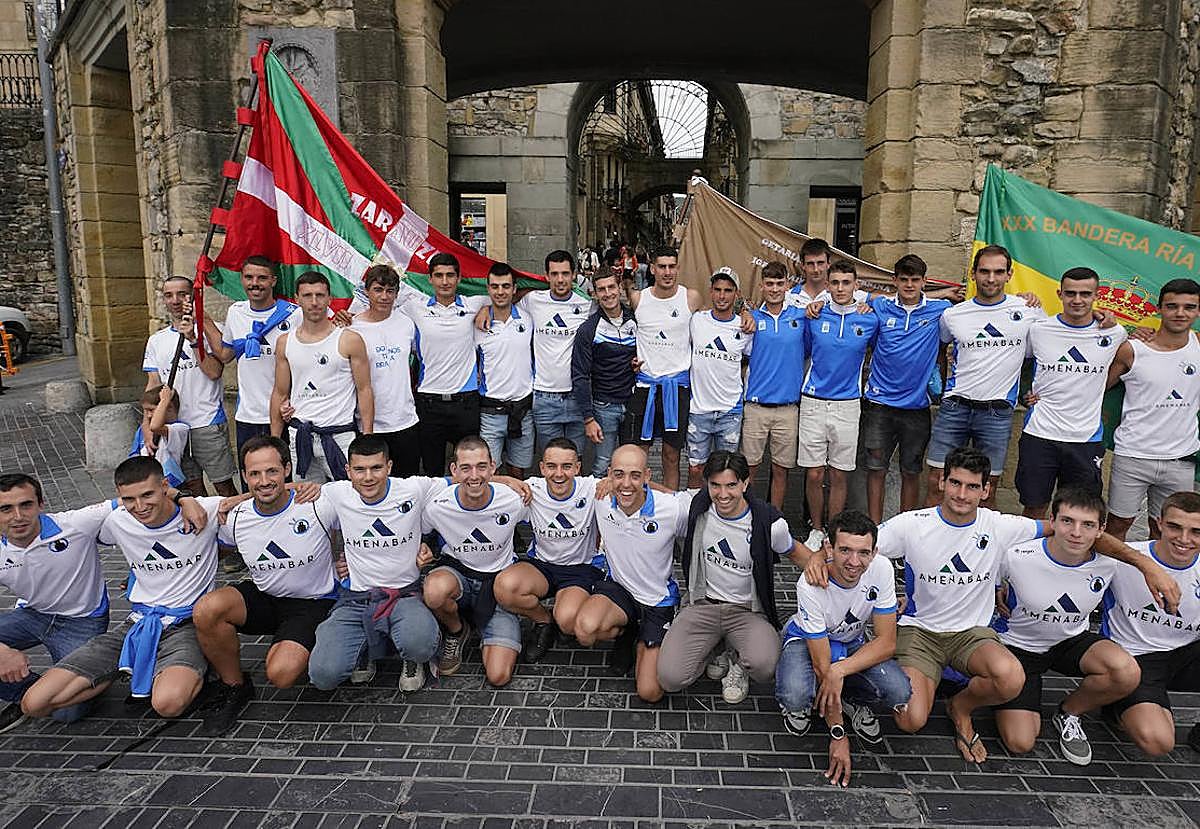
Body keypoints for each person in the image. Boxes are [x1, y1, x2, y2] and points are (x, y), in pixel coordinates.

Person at [807, 446, 1175, 763]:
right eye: (955, 483)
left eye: (972, 486)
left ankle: (961, 710)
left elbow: (1074, 530)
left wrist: (1146, 566)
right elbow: (855, 549)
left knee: (1011, 677)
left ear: (986, 490)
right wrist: (816, 558)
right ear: (941, 482)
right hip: (919, 632)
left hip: (973, 634)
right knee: (910, 720)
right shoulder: (910, 525)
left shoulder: (1000, 525)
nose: (962, 494)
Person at [21, 457, 220, 722]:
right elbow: (68, 529)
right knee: (34, 704)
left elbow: (256, 499)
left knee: (168, 704)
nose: (140, 506)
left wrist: (186, 498)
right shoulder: (115, 521)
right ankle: (116, 672)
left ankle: (192, 670)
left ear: (164, 486)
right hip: (135, 624)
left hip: (186, 623)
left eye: (148, 494)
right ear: (119, 496)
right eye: (129, 499)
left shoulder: (205, 509)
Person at [193, 437, 335, 735]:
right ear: (244, 476)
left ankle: (324, 643)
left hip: (312, 603)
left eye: (272, 471)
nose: (264, 481)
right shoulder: (234, 517)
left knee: (281, 674)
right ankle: (234, 685)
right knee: (207, 609)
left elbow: (364, 499)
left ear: (287, 468)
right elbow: (172, 503)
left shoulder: (316, 504)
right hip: (265, 596)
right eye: (254, 474)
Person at [991, 488, 1140, 766]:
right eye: (1068, 521)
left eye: (1088, 525)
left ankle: (1069, 712)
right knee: (1020, 742)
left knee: (1125, 671)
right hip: (1018, 647)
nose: (1076, 532)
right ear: (1053, 520)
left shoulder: (1110, 565)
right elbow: (983, 584)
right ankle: (1010, 693)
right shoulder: (1017, 555)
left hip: (1070, 642)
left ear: (1101, 530)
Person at [776, 510, 910, 788]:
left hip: (850, 644)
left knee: (899, 690)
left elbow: (886, 642)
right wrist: (838, 734)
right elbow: (822, 665)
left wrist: (839, 672)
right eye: (845, 550)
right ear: (829, 548)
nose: (853, 562)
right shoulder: (810, 584)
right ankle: (818, 700)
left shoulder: (882, 569)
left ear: (874, 552)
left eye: (863, 553)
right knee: (795, 695)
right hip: (808, 642)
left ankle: (846, 696)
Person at [658, 451, 804, 704]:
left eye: (731, 485)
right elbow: (660, 495)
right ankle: (714, 647)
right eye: (715, 485)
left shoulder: (768, 523)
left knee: (765, 666)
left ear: (745, 484)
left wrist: (824, 566)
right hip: (703, 606)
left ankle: (737, 663)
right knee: (670, 678)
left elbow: (796, 552)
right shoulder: (698, 507)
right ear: (707, 484)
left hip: (747, 611)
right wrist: (616, 482)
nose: (723, 494)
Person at [306, 435, 448, 693]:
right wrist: (228, 502)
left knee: (420, 644)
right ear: (348, 471)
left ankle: (411, 657)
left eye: (376, 468)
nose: (368, 477)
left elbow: (466, 480)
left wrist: (508, 480)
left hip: (405, 594)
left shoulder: (413, 488)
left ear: (390, 467)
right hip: (356, 598)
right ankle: (364, 648)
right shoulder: (336, 493)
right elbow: (280, 493)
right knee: (323, 675)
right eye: (359, 469)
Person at [926, 246, 1048, 507]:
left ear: (1009, 274)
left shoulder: (1028, 310)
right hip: (954, 408)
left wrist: (1099, 316)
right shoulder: (953, 314)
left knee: (986, 492)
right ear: (973, 274)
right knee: (937, 484)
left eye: (998, 272)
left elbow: (1055, 343)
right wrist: (939, 385)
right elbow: (939, 348)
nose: (990, 279)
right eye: (984, 271)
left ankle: (981, 547)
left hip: (997, 412)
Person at [574, 444, 693, 702]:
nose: (625, 483)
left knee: (649, 692)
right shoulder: (600, 497)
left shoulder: (672, 508)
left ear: (648, 476)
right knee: (584, 629)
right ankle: (627, 630)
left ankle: (643, 638)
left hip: (657, 600)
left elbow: (712, 506)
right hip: (619, 591)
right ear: (608, 474)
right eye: (618, 474)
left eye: (635, 475)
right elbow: (550, 482)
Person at [0, 475, 114, 731]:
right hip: (34, 614)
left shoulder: (76, 523)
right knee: (47, 699)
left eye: (26, 505)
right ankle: (27, 694)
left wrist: (184, 500)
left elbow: (134, 498)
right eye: (5, 508)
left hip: (83, 622)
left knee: (68, 713)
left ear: (41, 504)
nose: (17, 516)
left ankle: (110, 667)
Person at [1016, 267, 1128, 518]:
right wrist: (1025, 392)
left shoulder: (1113, 333)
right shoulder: (1039, 329)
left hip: (1085, 438)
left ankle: (1069, 558)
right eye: (1071, 293)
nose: (1077, 300)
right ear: (1060, 294)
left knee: (1079, 511)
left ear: (1096, 295)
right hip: (1040, 434)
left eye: (1085, 294)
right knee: (1034, 506)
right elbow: (1014, 361)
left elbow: (1132, 361)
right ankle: (1028, 557)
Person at [421, 437, 530, 686]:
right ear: (454, 470)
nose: (474, 475)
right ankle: (457, 630)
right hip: (457, 575)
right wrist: (422, 548)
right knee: (434, 590)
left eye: (481, 467)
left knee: (498, 676)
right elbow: (419, 535)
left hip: (498, 585)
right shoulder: (437, 505)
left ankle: (489, 624)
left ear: (493, 467)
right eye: (466, 468)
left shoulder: (514, 500)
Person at [1101, 491, 1200, 756]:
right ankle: (1115, 700)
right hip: (1137, 657)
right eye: (1175, 527)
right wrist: (1147, 566)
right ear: (1158, 523)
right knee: (1158, 742)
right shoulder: (1126, 557)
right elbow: (1090, 538)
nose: (1184, 539)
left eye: (1196, 531)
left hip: (1186, 653)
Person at [493, 438, 607, 662]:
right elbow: (478, 481)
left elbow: (634, 482)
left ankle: (563, 614)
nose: (559, 474)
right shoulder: (530, 489)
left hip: (580, 568)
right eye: (552, 466)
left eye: (566, 466)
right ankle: (543, 621)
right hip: (542, 567)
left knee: (567, 619)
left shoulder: (591, 488)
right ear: (542, 467)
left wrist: (613, 481)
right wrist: (507, 479)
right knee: (505, 588)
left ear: (577, 467)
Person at [1105, 278, 1200, 540]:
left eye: (1189, 307)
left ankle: (1159, 582)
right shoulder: (1132, 349)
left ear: (1198, 311)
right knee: (1116, 527)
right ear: (1159, 308)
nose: (1180, 313)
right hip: (1133, 455)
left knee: (1168, 532)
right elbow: (1096, 387)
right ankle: (1107, 579)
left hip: (1180, 458)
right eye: (1172, 306)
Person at [862, 255, 952, 523]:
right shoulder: (879, 307)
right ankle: (875, 530)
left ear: (924, 281)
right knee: (876, 469)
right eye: (904, 279)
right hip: (879, 405)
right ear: (895, 281)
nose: (910, 285)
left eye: (915, 280)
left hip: (916, 407)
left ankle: (905, 532)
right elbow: (853, 293)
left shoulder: (940, 309)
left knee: (911, 471)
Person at [799, 260, 879, 550]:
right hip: (814, 400)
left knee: (839, 473)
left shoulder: (870, 319)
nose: (841, 288)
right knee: (814, 472)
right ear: (828, 285)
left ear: (856, 285)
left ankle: (834, 533)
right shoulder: (814, 316)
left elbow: (896, 301)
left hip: (848, 403)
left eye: (846, 282)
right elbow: (804, 350)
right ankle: (817, 529)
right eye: (835, 283)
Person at [271, 271, 374, 483]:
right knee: (306, 505)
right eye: (307, 295)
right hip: (300, 436)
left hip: (341, 436)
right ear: (297, 299)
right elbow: (280, 393)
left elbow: (364, 389)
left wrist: (368, 438)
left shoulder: (349, 339)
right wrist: (274, 442)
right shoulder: (284, 342)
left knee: (351, 498)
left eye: (320, 295)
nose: (314, 302)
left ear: (329, 298)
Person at [203, 256, 302, 465]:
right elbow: (225, 355)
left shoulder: (294, 315)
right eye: (249, 277)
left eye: (262, 278)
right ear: (242, 279)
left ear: (273, 281)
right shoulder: (236, 312)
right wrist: (204, 320)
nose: (254, 283)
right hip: (248, 415)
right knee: (252, 478)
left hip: (285, 414)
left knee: (285, 476)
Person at [143, 276, 238, 497]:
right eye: (169, 295)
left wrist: (194, 339)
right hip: (174, 427)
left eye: (182, 294)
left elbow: (214, 372)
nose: (175, 300)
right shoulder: (156, 341)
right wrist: (147, 427)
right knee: (192, 489)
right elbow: (152, 388)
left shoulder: (213, 331)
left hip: (206, 422)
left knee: (224, 486)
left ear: (193, 297)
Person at [403, 253, 489, 475]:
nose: (445, 281)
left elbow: (505, 297)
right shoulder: (414, 307)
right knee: (432, 470)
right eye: (439, 275)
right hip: (429, 402)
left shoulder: (475, 303)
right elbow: (378, 311)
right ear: (430, 279)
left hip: (466, 402)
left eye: (450, 275)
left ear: (459, 278)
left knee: (469, 469)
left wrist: (486, 309)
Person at [628, 246, 705, 490]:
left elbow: (706, 327)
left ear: (678, 268)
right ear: (652, 269)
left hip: (677, 387)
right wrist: (632, 358)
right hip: (645, 386)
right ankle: (639, 506)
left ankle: (670, 508)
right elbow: (627, 333)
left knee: (672, 456)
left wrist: (745, 313)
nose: (667, 272)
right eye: (662, 266)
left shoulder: (690, 297)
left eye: (672, 266)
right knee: (639, 455)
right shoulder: (639, 298)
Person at [742, 261, 806, 510]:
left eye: (780, 283)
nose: (775, 288)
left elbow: (809, 349)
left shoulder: (801, 317)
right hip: (756, 407)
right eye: (769, 284)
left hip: (788, 408)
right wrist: (745, 313)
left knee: (781, 470)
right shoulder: (751, 320)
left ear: (787, 286)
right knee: (750, 468)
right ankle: (747, 516)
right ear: (761, 286)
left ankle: (774, 520)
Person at [520, 250, 595, 455]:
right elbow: (503, 302)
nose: (560, 279)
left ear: (574, 275)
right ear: (546, 276)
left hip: (578, 397)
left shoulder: (587, 306)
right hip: (544, 397)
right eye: (554, 274)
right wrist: (484, 308)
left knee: (575, 461)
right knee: (551, 462)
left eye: (565, 273)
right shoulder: (532, 300)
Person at [350, 264, 421, 476]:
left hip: (405, 420)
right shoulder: (352, 328)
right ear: (367, 292)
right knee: (371, 486)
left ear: (397, 294)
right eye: (378, 290)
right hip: (368, 425)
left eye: (390, 291)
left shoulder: (407, 324)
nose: (384, 296)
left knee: (406, 484)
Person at [686, 269, 752, 488]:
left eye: (728, 290)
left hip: (730, 412)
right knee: (696, 469)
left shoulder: (745, 328)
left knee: (727, 472)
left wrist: (747, 312)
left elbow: (754, 360)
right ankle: (694, 515)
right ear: (711, 292)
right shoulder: (696, 320)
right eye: (717, 290)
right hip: (699, 410)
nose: (722, 296)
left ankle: (723, 518)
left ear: (736, 294)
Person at [572, 268, 638, 476]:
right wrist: (588, 419)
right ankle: (598, 508)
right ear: (594, 293)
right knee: (603, 465)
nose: (608, 293)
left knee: (632, 462)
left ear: (619, 288)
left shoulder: (637, 320)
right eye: (601, 289)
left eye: (611, 287)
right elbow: (580, 375)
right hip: (604, 407)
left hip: (633, 404)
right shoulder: (589, 329)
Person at [476, 263, 535, 477]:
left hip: (523, 410)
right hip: (490, 412)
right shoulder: (477, 323)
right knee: (490, 473)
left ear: (514, 288)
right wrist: (483, 309)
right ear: (488, 288)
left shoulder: (529, 318)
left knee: (518, 471)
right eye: (495, 286)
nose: (500, 292)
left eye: (506, 286)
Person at [131, 385, 189, 489]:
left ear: (169, 407)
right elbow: (134, 454)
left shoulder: (179, 428)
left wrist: (164, 400)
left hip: (169, 483)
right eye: (146, 411)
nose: (148, 415)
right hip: (146, 482)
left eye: (151, 410)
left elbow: (155, 426)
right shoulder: (143, 430)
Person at [786, 238, 867, 309]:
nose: (816, 269)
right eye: (810, 264)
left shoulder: (847, 292)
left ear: (828, 263)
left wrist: (870, 307)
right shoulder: (789, 297)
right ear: (802, 265)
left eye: (820, 263)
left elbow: (878, 300)